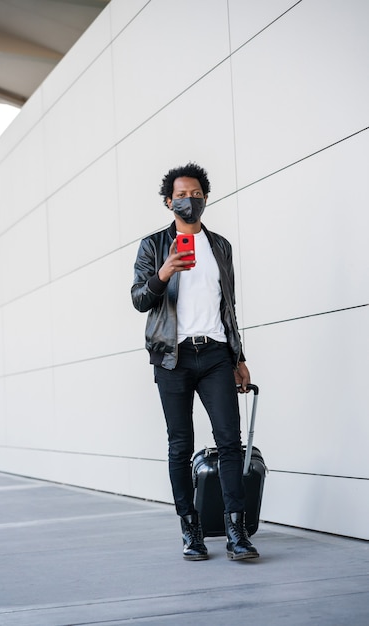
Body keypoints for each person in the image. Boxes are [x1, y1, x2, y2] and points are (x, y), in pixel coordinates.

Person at [131, 163, 259, 562]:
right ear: (169, 201)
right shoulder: (154, 246)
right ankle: (191, 529)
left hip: (217, 354)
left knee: (229, 442)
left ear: (206, 198)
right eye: (182, 195)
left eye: (197, 194)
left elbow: (228, 306)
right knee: (180, 445)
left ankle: (237, 531)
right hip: (172, 357)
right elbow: (139, 299)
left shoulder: (220, 246)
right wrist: (165, 272)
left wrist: (238, 357)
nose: (191, 200)